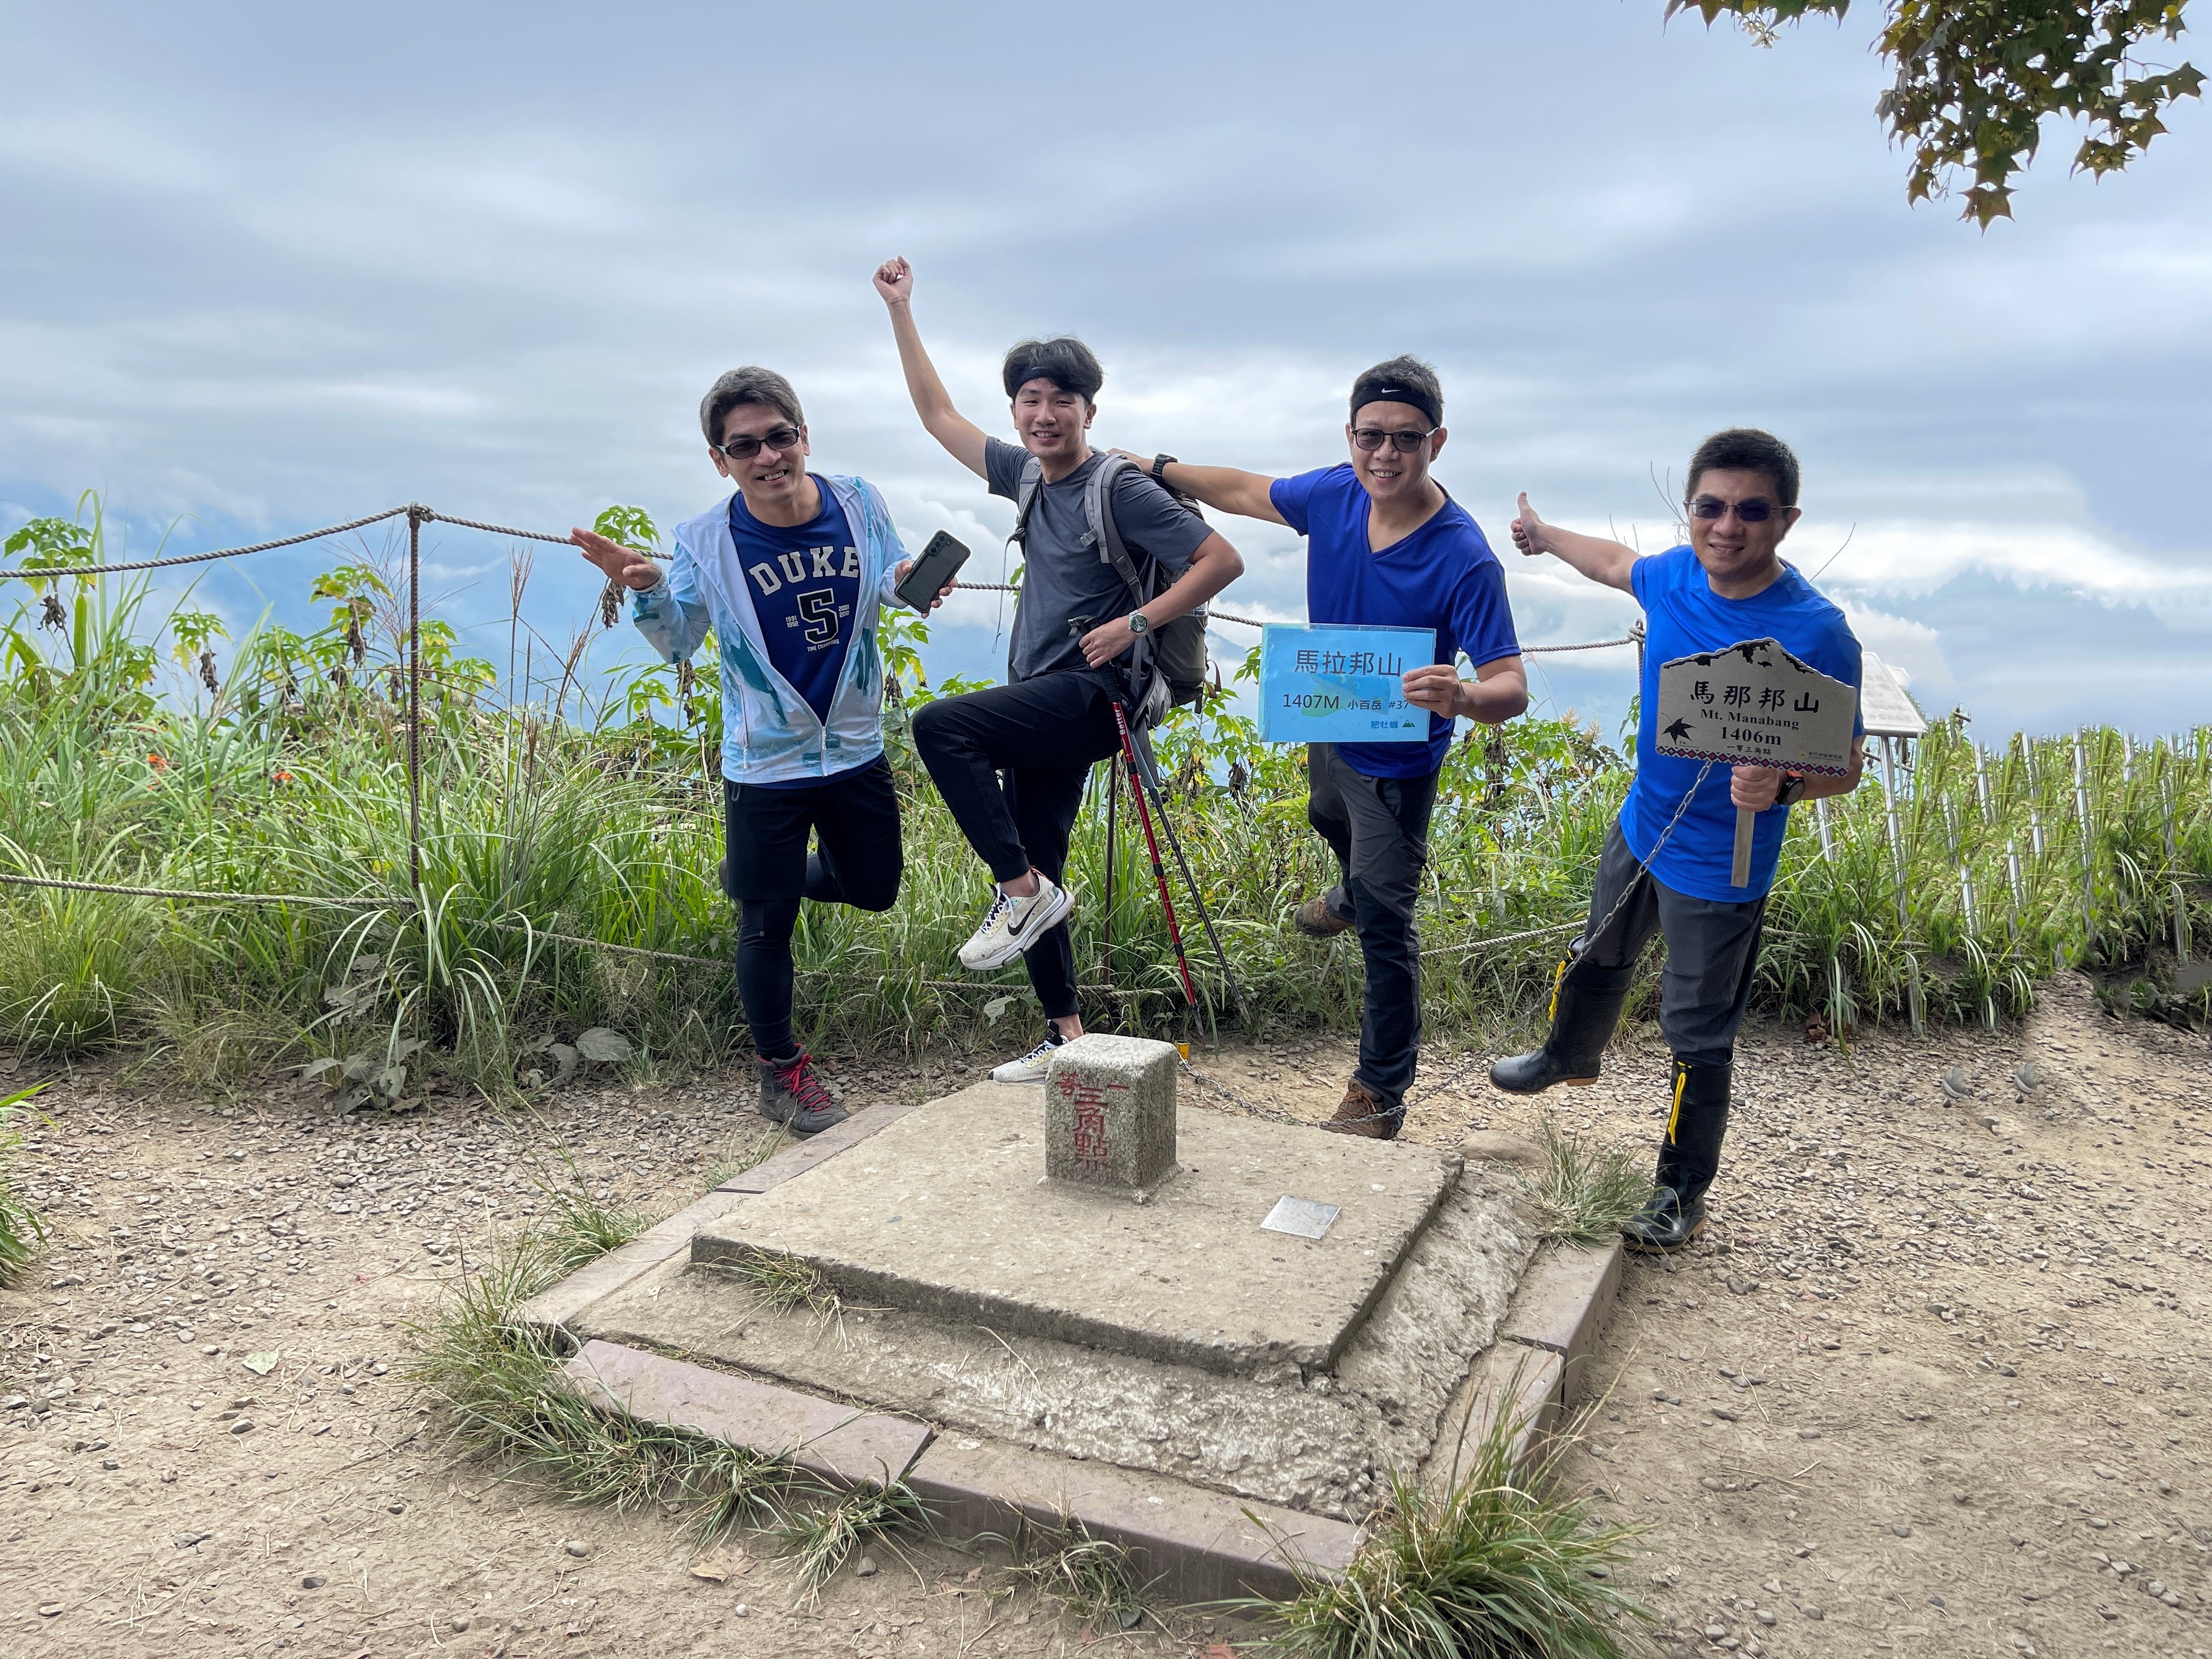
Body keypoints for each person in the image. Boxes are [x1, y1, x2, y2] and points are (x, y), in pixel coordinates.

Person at [1128, 356, 1528, 1139]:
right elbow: (1248, 491)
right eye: (1371, 436)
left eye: (1406, 439)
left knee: (1387, 924)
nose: (1386, 454)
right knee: (1324, 814)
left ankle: (1380, 1091)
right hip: (1329, 722)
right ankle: (1351, 893)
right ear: (1349, 436)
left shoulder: (1465, 556)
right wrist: (1160, 468)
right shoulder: (1336, 495)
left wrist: (1463, 697)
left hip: (1398, 764)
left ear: (1437, 442)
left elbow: (1510, 686)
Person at [871, 257, 1248, 1084]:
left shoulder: (1118, 489)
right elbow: (937, 415)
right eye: (1030, 400)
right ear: (1016, 409)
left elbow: (1222, 559)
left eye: (1061, 401)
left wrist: (1136, 622)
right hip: (1041, 693)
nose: (1044, 415)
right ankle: (1066, 1037)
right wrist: (901, 309)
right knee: (1039, 856)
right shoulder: (1023, 476)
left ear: (1089, 411)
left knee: (940, 727)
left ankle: (1020, 894)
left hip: (1094, 695)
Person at [1493, 427, 1865, 1251]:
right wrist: (1544, 536)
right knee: (1597, 952)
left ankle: (1679, 1192)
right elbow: (1613, 563)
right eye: (1711, 507)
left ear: (1786, 521)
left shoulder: (1820, 634)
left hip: (1724, 861)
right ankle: (1567, 1054)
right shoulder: (1675, 576)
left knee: (1697, 1031)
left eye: (1752, 511)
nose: (1727, 527)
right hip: (1643, 825)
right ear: (1691, 510)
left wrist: (1785, 786)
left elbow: (1846, 767)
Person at [572, 366, 946, 1137]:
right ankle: (781, 1072)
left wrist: (910, 579)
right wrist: (646, 587)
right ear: (721, 461)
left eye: (780, 437)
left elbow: (885, 578)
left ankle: (750, 876)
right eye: (745, 447)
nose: (768, 457)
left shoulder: (859, 501)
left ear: (805, 436)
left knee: (874, 887)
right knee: (767, 923)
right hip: (765, 759)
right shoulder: (704, 541)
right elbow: (679, 641)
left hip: (853, 744)